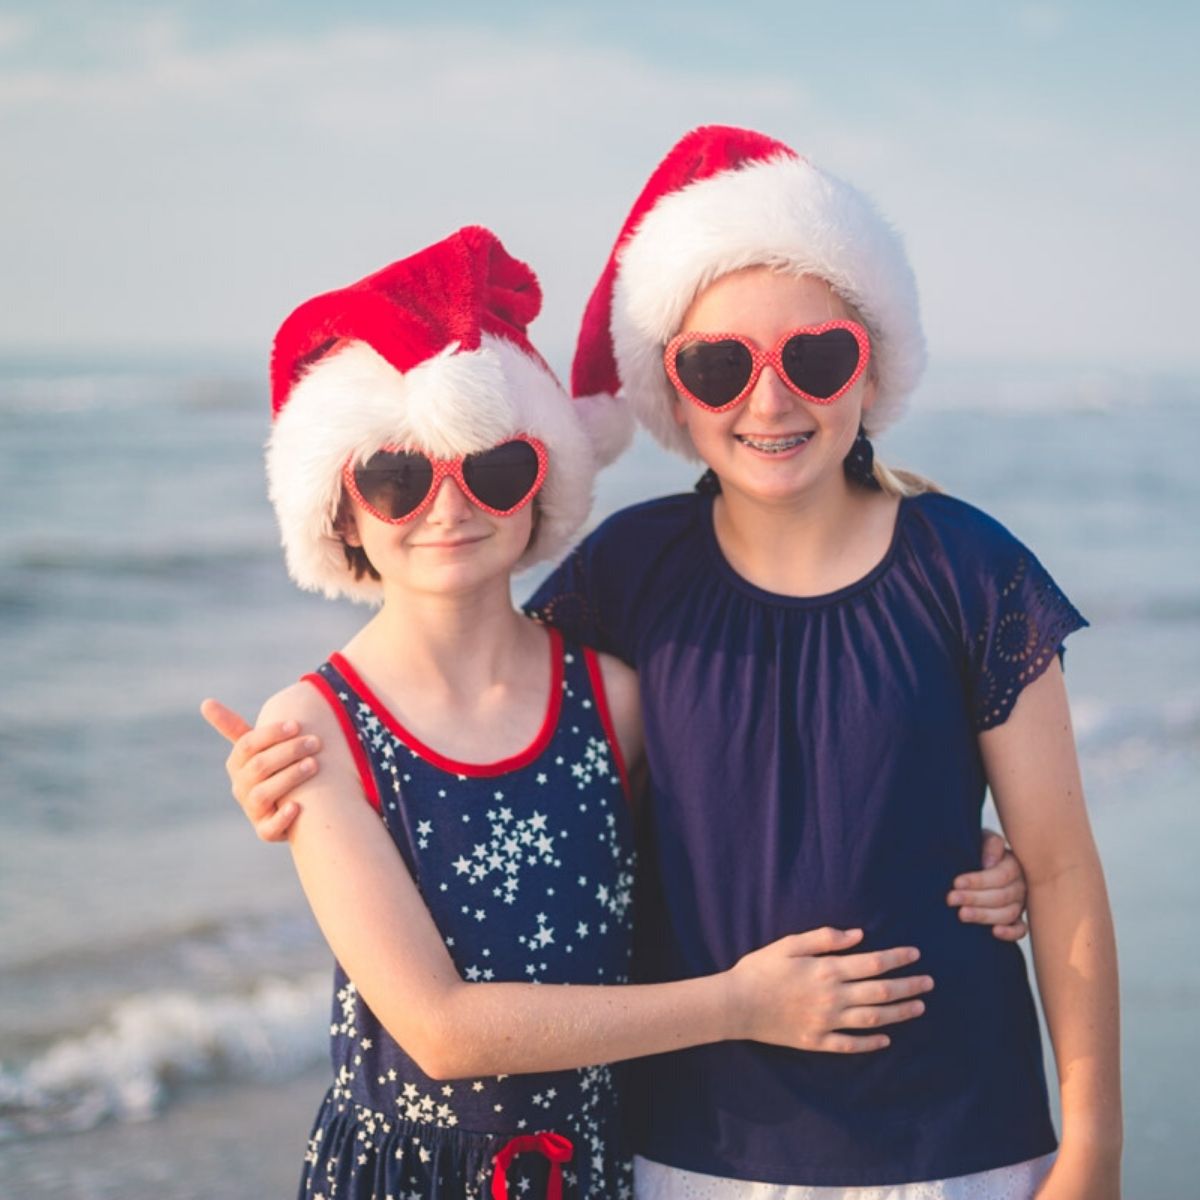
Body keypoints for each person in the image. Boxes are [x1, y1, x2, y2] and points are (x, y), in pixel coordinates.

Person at [208, 224, 957, 1200]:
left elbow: (767, 836)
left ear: (540, 482)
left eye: (493, 468)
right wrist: (736, 1005)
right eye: (397, 477)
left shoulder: (612, 696)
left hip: (601, 1162)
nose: (450, 506)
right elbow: (439, 1030)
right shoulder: (315, 731)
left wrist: (967, 853)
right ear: (341, 510)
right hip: (410, 1177)